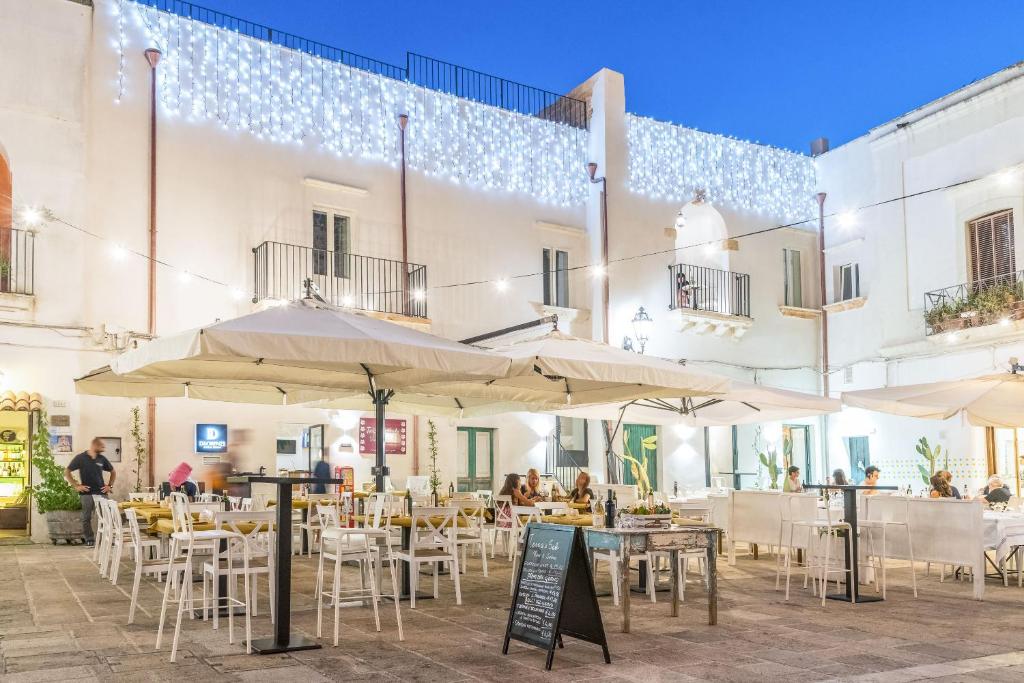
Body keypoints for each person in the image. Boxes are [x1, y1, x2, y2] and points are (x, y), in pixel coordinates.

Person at [64, 437, 115, 546]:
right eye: (102, 446)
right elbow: (67, 472)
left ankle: (108, 538)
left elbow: (113, 472)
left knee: (107, 516)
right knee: (86, 517)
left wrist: (109, 485)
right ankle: (89, 539)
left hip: (101, 493)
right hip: (86, 493)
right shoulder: (80, 458)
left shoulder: (102, 459)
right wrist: (76, 486)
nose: (104, 448)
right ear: (94, 445)